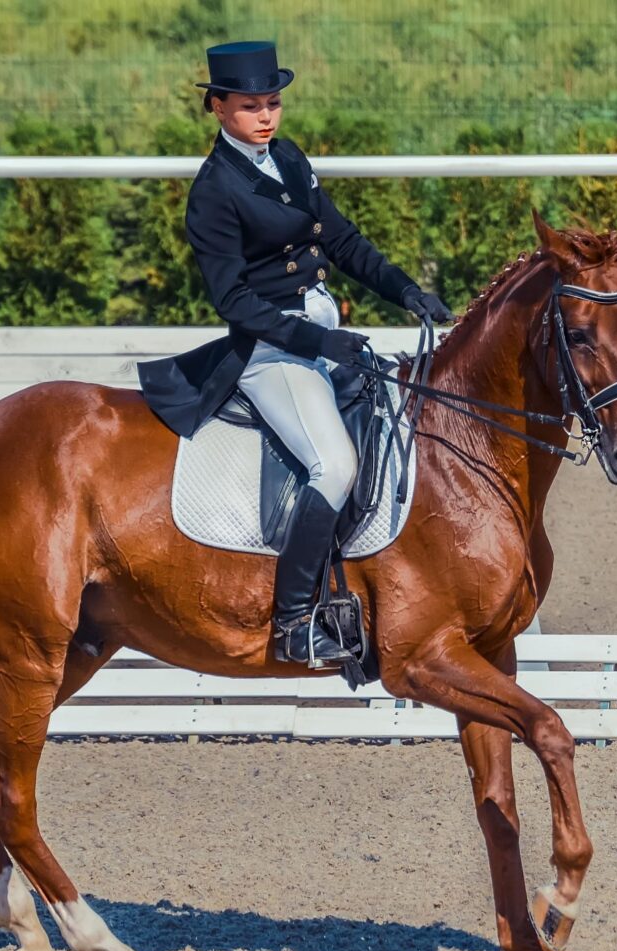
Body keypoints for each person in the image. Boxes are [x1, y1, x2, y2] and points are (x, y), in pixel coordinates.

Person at [138, 40, 451, 668]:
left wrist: (405, 289)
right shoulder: (213, 191)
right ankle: (293, 621)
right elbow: (233, 302)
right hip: (270, 351)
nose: (266, 116)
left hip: (319, 336)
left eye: (274, 103)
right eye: (251, 106)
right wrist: (319, 341)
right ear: (218, 107)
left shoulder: (286, 157)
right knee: (333, 466)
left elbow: (340, 240)